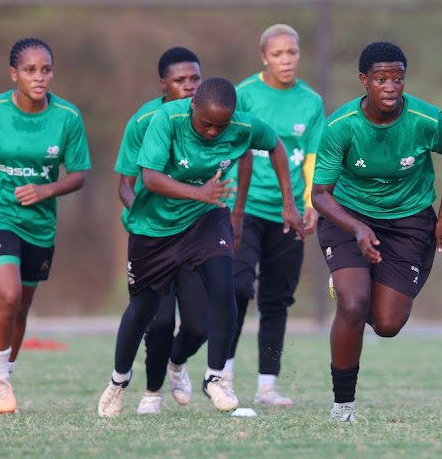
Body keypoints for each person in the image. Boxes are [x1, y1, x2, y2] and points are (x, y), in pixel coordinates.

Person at [97, 77, 304, 416]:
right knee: (142, 312)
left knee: (226, 286)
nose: (212, 132)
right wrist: (199, 192)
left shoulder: (241, 125)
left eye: (219, 126)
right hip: (155, 227)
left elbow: (276, 146)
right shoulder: (167, 120)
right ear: (193, 106)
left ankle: (214, 377)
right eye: (206, 124)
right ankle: (119, 382)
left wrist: (289, 202)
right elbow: (149, 177)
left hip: (205, 220)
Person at [312, 42, 442, 422]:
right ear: (364, 81)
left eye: (397, 78)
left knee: (388, 325)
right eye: (381, 79)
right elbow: (319, 196)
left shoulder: (427, 120)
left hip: (410, 221)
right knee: (352, 304)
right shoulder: (340, 126)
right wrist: (358, 227)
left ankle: (356, 287)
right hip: (349, 217)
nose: (391, 86)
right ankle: (343, 405)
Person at [0, 37, 91, 413]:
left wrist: (46, 190)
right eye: (29, 70)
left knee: (22, 307)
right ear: (14, 74)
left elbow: (80, 174)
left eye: (45, 70)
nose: (39, 78)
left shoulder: (67, 117)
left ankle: (4, 377)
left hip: (39, 225)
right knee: (7, 295)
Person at [113, 47, 252, 414]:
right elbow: (126, 185)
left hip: (199, 234)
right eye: (180, 80)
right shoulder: (146, 121)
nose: (189, 86)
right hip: (156, 236)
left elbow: (251, 146)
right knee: (157, 321)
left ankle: (178, 365)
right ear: (164, 84)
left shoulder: (217, 119)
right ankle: (151, 395)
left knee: (196, 326)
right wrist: (150, 219)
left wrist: (235, 214)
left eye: (195, 79)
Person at [224, 24, 325, 406]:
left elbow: (313, 156)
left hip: (290, 213)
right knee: (236, 288)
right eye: (278, 54)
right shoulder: (244, 95)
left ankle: (267, 385)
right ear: (263, 57)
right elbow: (228, 147)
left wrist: (312, 205)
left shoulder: (311, 102)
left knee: (277, 299)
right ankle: (223, 373)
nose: (286, 60)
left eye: (292, 53)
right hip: (245, 207)